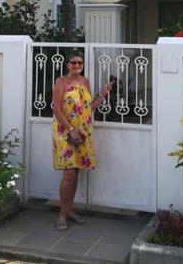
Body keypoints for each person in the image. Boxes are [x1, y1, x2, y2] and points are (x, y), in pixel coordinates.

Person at [51, 51, 112, 231]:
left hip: (83, 132)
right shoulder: (61, 82)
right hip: (65, 132)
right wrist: (71, 129)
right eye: (73, 63)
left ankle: (69, 210)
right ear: (67, 64)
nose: (77, 66)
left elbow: (88, 108)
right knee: (69, 173)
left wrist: (103, 94)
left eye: (79, 63)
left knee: (76, 172)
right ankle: (61, 214)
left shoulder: (85, 82)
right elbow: (56, 109)